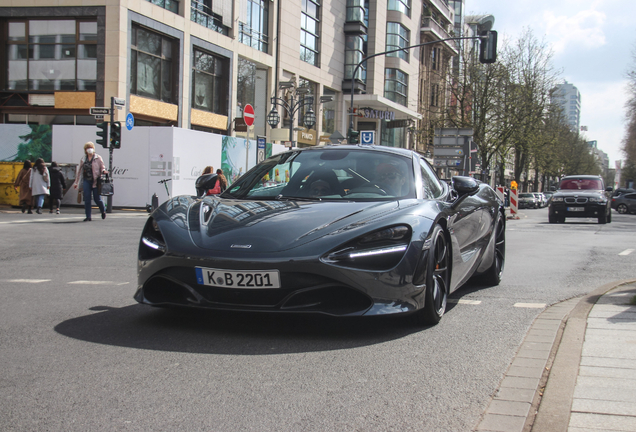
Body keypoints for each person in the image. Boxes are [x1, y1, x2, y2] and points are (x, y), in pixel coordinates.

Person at [73, 141, 107, 221]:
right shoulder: (83, 159)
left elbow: (102, 167)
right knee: (87, 198)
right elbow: (79, 171)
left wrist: (103, 171)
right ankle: (88, 216)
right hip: (86, 180)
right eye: (88, 148)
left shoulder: (98, 158)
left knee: (97, 198)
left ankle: (103, 210)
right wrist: (76, 182)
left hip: (96, 181)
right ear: (85, 150)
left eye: (91, 148)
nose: (89, 149)